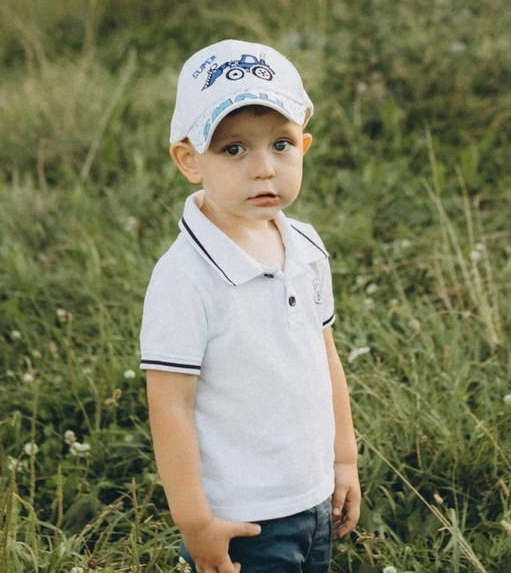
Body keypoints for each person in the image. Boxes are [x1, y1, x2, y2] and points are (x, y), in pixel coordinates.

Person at [141, 39, 361, 573]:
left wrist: (344, 460)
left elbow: (324, 355)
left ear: (304, 146)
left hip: (313, 498)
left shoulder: (306, 247)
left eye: (281, 144)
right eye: (234, 149)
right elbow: (170, 406)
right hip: (241, 520)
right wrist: (195, 523)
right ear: (190, 159)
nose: (264, 168)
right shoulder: (184, 278)